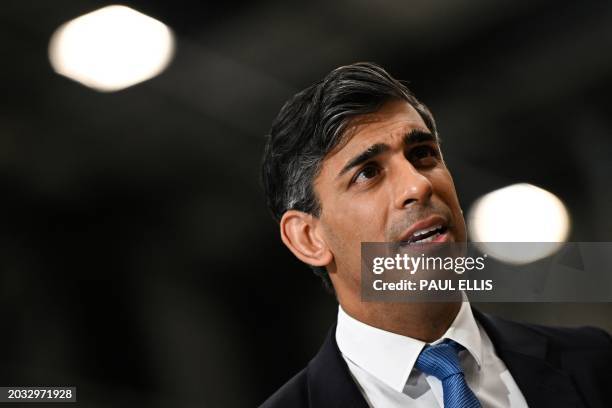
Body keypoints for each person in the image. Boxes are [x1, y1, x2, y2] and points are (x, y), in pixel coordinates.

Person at [259, 62, 611, 407]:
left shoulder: (595, 364)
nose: (418, 184)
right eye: (367, 173)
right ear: (308, 238)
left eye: (423, 154)